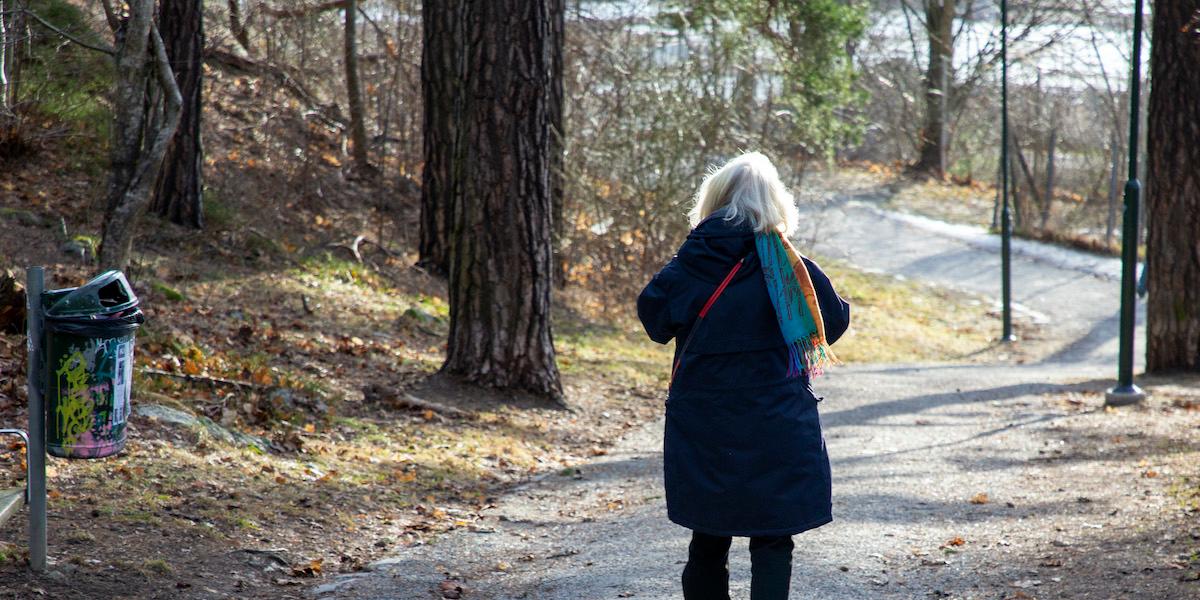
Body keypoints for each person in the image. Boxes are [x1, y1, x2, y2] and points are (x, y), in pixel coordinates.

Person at [637, 152, 851, 600]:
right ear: (775, 204)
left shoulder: (689, 265)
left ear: (713, 201)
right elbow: (833, 322)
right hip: (778, 423)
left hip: (705, 425)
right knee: (773, 540)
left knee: (709, 536)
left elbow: (654, 319)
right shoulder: (793, 270)